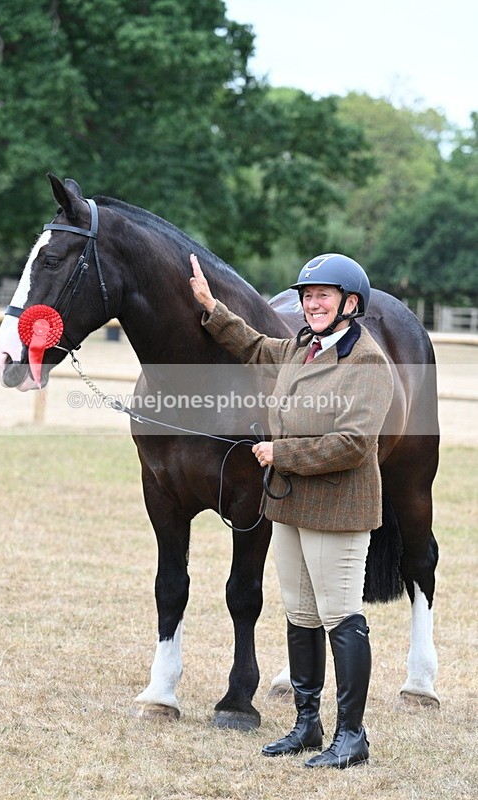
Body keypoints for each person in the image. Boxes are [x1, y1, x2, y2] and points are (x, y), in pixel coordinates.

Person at [189, 252, 394, 769]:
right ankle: (307, 724)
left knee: (340, 616)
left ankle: (352, 736)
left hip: (338, 506)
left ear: (351, 303)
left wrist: (284, 453)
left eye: (323, 295)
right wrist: (212, 309)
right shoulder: (303, 346)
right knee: (300, 613)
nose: (312, 304)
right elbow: (257, 348)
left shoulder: (367, 363)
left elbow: (353, 443)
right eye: (307, 296)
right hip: (290, 502)